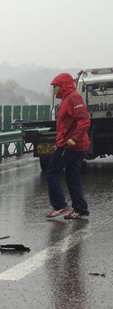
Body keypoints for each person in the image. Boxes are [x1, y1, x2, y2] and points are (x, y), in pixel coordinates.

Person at [46, 73, 90, 219]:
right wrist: (59, 143)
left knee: (52, 172)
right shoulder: (66, 99)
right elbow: (65, 126)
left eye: (55, 86)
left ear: (63, 85)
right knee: (72, 177)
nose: (54, 89)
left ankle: (59, 205)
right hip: (71, 144)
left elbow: (84, 120)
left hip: (72, 145)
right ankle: (80, 209)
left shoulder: (73, 97)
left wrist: (74, 139)